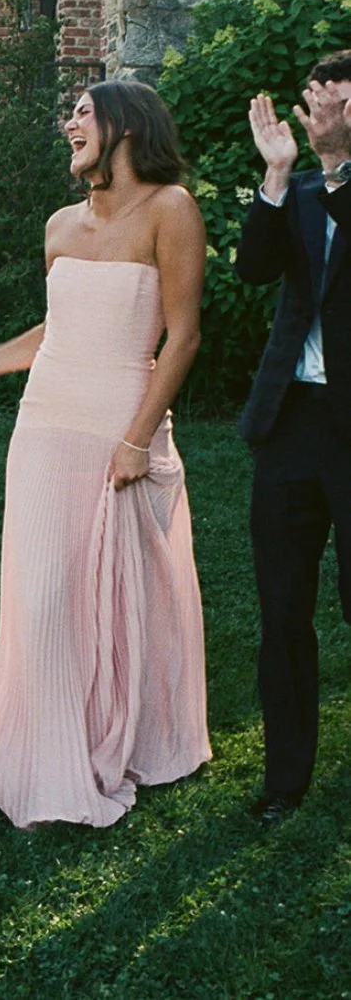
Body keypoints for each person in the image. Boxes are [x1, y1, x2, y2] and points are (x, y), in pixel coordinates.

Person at [0, 81, 211, 829]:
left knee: (118, 591)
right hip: (44, 426)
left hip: (121, 421)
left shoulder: (170, 209)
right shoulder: (58, 225)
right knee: (41, 593)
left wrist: (139, 437)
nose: (69, 123)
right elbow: (55, 330)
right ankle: (45, 739)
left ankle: (125, 731)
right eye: (69, 113)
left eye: (83, 111)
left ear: (127, 127)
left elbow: (183, 335)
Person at [236, 52, 351, 823]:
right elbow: (251, 268)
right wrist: (276, 178)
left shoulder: (336, 188)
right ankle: (286, 780)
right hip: (290, 425)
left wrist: (338, 164)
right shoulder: (298, 191)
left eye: (330, 95)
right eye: (311, 96)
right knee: (282, 607)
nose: (312, 107)